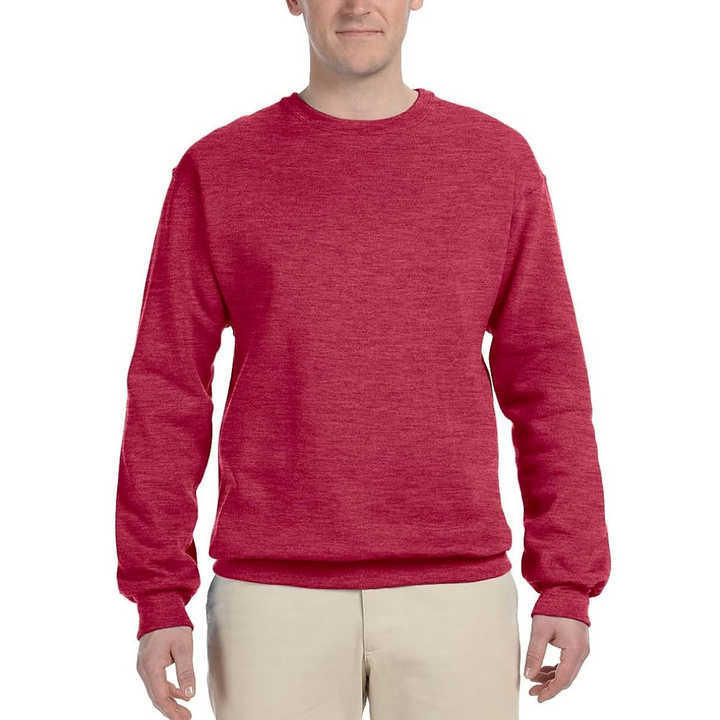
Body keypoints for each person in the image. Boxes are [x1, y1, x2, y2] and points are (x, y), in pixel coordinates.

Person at [115, 1, 611, 718]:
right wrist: (159, 595)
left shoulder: (495, 162)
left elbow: (549, 381)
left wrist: (567, 581)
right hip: (270, 600)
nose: (356, 3)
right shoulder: (218, 168)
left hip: (458, 592)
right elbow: (168, 387)